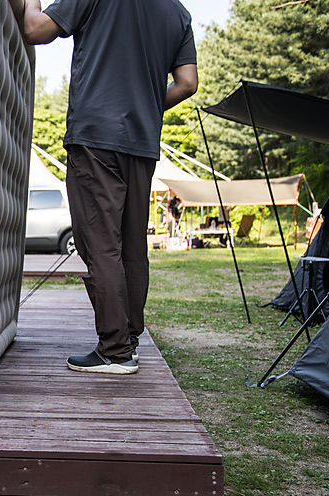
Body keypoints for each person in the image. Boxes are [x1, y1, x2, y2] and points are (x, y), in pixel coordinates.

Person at [23, 0, 198, 374]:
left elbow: (34, 30)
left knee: (100, 243)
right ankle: (128, 343)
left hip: (95, 137)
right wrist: (146, 109)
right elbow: (187, 84)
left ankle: (115, 351)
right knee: (132, 245)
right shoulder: (178, 13)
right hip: (142, 143)